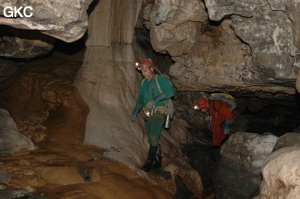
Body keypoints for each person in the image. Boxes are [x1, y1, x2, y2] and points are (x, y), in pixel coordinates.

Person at [130, 58, 175, 172]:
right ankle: (158, 161)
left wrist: (155, 100)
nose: (143, 73)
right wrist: (135, 112)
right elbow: (140, 100)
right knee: (152, 138)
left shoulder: (159, 79)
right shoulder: (143, 83)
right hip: (148, 113)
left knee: (154, 136)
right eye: (142, 71)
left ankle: (149, 163)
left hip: (160, 111)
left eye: (145, 71)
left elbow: (170, 92)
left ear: (151, 69)